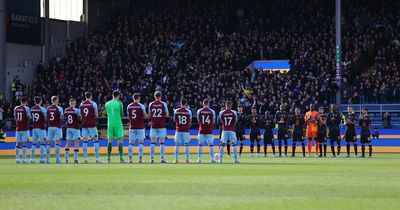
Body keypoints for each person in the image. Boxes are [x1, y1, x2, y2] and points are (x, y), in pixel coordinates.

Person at [80, 91, 103, 164]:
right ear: (91, 96)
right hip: (92, 124)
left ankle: (85, 159)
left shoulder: (81, 104)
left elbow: (81, 116)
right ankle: (97, 159)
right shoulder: (93, 104)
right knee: (96, 140)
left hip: (84, 125)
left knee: (85, 141)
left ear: (85, 96)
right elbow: (96, 115)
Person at [127, 93, 149, 163]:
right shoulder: (141, 106)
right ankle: (140, 159)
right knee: (141, 143)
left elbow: (128, 116)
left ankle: (130, 159)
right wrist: (149, 116)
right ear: (139, 98)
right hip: (140, 127)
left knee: (131, 143)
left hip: (132, 126)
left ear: (133, 98)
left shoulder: (129, 106)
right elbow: (144, 116)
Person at [148, 91, 169, 163]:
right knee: (162, 143)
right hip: (161, 125)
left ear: (154, 96)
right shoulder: (163, 104)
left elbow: (150, 114)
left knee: (152, 142)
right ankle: (162, 159)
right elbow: (167, 114)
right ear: (160, 96)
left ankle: (151, 159)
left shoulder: (151, 104)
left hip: (153, 125)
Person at [105, 90, 125, 163]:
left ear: (112, 95)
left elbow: (107, 113)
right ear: (118, 96)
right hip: (118, 123)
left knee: (110, 141)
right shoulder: (119, 103)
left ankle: (108, 158)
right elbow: (122, 114)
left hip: (110, 124)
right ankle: (121, 158)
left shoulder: (107, 104)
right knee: (120, 141)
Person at [197, 99, 216, 163]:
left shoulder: (199, 111)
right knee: (211, 145)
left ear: (203, 104)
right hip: (209, 130)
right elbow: (213, 121)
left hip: (201, 129)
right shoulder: (212, 111)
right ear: (208, 104)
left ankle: (199, 159)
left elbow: (198, 120)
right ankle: (212, 159)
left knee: (200, 145)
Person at [173, 99, 192, 164]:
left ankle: (176, 160)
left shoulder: (176, 111)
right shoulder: (188, 111)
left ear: (180, 104)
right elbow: (190, 121)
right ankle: (187, 160)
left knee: (177, 145)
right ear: (186, 104)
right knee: (187, 145)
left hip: (178, 129)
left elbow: (174, 120)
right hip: (186, 130)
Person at [46, 96, 64, 164]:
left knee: (49, 143)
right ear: (56, 100)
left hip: (50, 127)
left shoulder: (48, 108)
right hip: (57, 127)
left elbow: (46, 118)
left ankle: (47, 159)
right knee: (58, 142)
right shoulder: (59, 108)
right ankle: (57, 159)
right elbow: (62, 118)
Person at [30, 96, 47, 163]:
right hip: (41, 128)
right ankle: (41, 159)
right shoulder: (42, 109)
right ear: (40, 101)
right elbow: (45, 119)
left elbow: (31, 118)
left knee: (34, 144)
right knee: (42, 143)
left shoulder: (32, 109)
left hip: (34, 128)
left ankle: (32, 159)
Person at [14, 97, 30, 164]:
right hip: (25, 128)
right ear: (25, 102)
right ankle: (24, 159)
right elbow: (29, 117)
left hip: (18, 128)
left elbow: (15, 118)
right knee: (25, 143)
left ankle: (17, 159)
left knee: (18, 144)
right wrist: (27, 122)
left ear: (21, 101)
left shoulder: (16, 108)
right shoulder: (26, 108)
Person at [64, 98, 81, 164]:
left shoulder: (66, 110)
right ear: (75, 103)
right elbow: (80, 119)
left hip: (68, 128)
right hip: (75, 128)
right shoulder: (77, 110)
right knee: (76, 144)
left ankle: (66, 159)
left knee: (68, 144)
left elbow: (65, 119)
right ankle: (75, 159)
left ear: (69, 103)